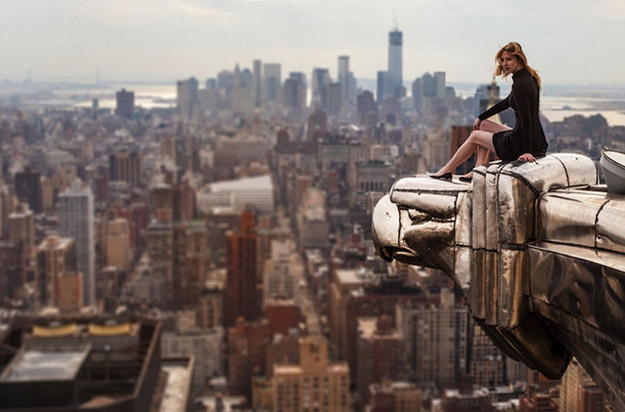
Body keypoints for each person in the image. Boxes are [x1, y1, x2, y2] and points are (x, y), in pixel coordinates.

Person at [431, 42, 547, 181]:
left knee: (475, 135)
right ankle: (478, 170)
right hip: (535, 139)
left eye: (509, 59)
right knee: (483, 125)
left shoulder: (519, 85)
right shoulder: (529, 78)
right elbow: (507, 102)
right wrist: (481, 117)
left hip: (521, 144)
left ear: (519, 59)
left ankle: (447, 170)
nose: (504, 63)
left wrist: (526, 151)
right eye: (502, 60)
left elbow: (526, 119)